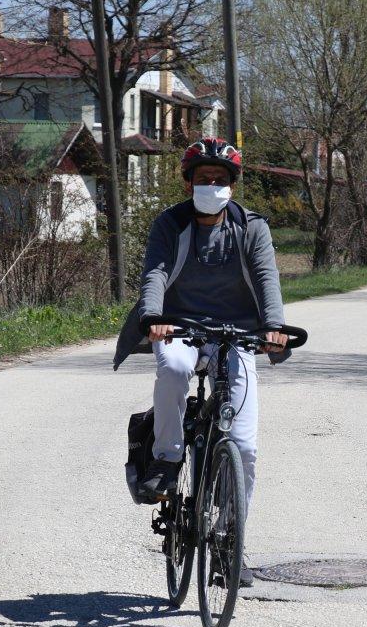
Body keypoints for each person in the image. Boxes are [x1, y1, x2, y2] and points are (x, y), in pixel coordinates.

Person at [112, 138, 289, 582]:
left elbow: (267, 277)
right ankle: (168, 459)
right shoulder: (169, 224)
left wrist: (273, 327)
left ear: (233, 184)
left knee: (244, 447)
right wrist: (153, 317)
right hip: (179, 326)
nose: (212, 185)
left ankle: (231, 544)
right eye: (203, 178)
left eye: (221, 179)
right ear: (188, 182)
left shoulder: (251, 227)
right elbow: (154, 272)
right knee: (172, 368)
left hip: (237, 334)